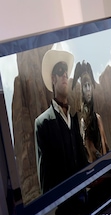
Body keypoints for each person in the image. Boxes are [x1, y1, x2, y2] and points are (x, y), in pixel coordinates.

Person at [34, 48, 88, 193]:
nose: (64, 74)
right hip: (64, 203)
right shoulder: (42, 123)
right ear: (53, 79)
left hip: (84, 196)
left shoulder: (74, 117)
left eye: (66, 72)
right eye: (60, 70)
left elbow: (83, 160)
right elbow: (45, 178)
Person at [73, 61, 109, 164]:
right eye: (85, 86)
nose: (88, 89)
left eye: (89, 85)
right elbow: (88, 148)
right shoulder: (83, 122)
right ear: (82, 90)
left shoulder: (97, 118)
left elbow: (105, 144)